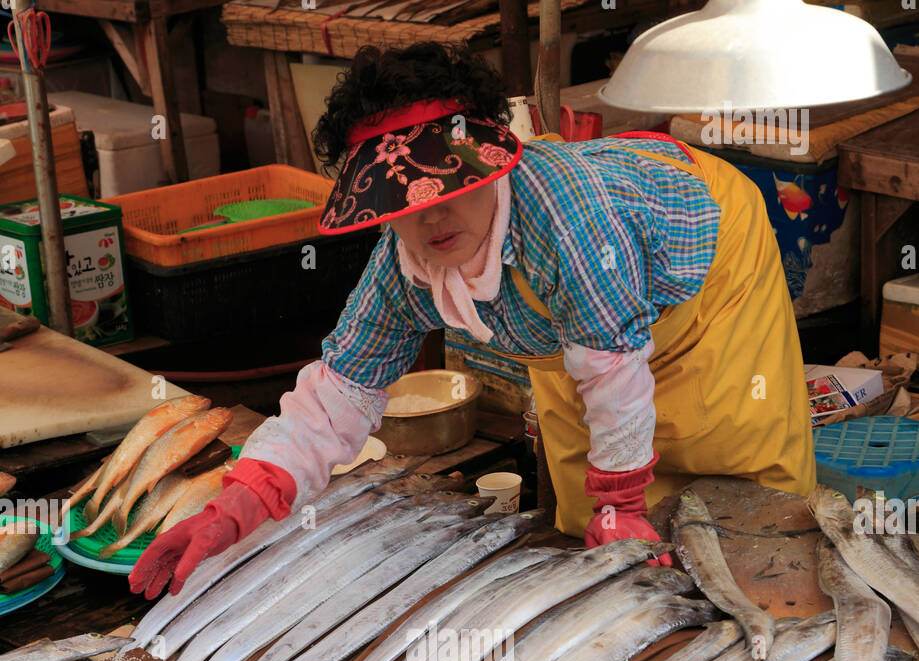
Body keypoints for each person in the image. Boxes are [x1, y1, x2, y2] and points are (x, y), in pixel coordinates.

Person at [130, 41, 815, 600]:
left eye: (447, 186)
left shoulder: (570, 218)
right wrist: (236, 505)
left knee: (732, 475)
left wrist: (623, 502)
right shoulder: (404, 262)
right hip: (577, 334)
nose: (428, 217)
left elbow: (611, 368)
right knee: (589, 522)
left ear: (490, 163)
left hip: (700, 274)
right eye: (401, 199)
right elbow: (337, 393)